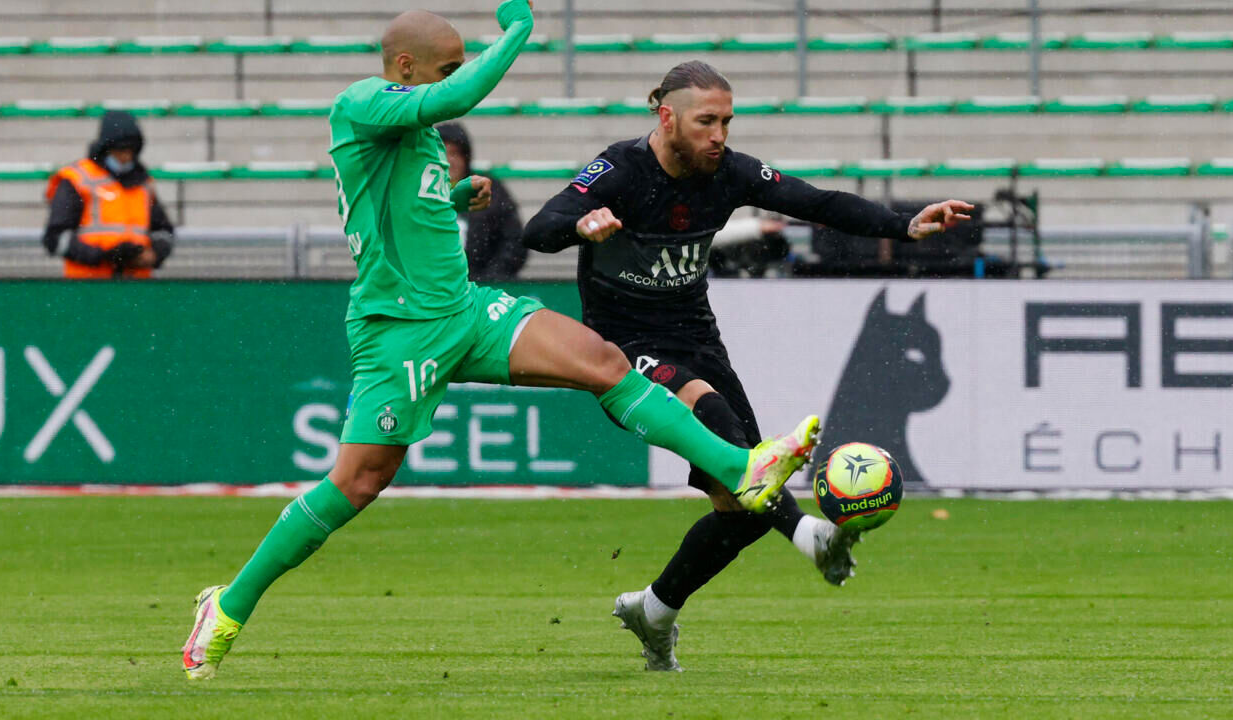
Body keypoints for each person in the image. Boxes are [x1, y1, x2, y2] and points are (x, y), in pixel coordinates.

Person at [181, 3, 821, 681]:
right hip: (399, 331)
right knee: (360, 480)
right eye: (442, 68)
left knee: (604, 362)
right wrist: (516, 33)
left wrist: (450, 200)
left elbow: (387, 206)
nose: (451, 81)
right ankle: (229, 603)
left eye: (456, 67)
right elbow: (459, 95)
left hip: (463, 309)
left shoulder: (412, 133)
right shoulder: (362, 102)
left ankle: (739, 468)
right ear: (405, 68)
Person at [522, 60, 973, 671]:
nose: (719, 134)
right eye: (706, 121)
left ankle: (654, 610)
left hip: (697, 340)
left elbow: (815, 201)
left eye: (726, 121)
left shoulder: (728, 173)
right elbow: (537, 229)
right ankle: (809, 536)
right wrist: (582, 223)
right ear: (666, 116)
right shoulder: (621, 169)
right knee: (729, 439)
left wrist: (903, 224)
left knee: (744, 507)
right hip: (623, 349)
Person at [42, 110, 174, 278]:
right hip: (87, 285)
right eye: (119, 150)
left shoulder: (143, 183)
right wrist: (105, 256)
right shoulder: (77, 179)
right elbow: (56, 238)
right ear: (106, 149)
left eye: (130, 150)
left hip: (137, 287)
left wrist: (154, 253)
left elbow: (163, 230)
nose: (125, 157)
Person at [437, 122, 529, 280]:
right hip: (430, 288)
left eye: (454, 153)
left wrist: (489, 278)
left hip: (482, 289)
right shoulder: (414, 193)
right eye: (442, 153)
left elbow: (514, 242)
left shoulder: (489, 190)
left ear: (466, 157)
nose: (449, 161)